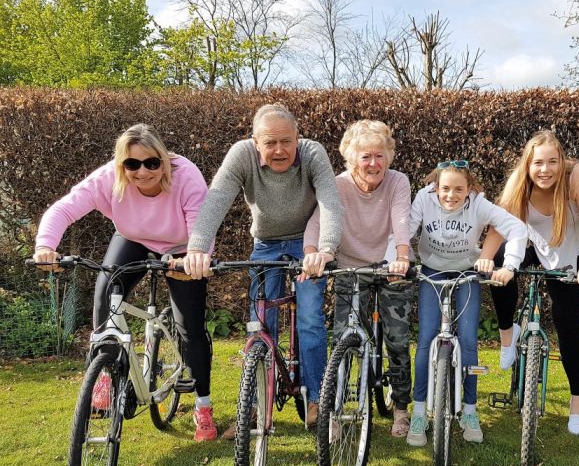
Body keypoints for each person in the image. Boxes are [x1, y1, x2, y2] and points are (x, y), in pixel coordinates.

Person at [33, 123, 217, 441]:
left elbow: (202, 226)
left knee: (189, 326)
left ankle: (203, 405)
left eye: (151, 163)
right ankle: (105, 376)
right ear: (122, 164)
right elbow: (65, 208)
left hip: (183, 246)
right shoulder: (109, 177)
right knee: (106, 294)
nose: (142, 172)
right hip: (133, 238)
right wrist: (45, 246)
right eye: (132, 164)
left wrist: (195, 258)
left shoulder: (186, 175)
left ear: (164, 160)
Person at [183, 104, 342, 432]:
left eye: (286, 141)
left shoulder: (313, 153)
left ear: (298, 137)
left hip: (307, 244)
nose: (279, 150)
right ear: (255, 142)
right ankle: (254, 407)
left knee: (310, 318)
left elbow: (330, 203)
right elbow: (216, 200)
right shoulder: (241, 155)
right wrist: (197, 248)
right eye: (270, 143)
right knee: (260, 324)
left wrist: (325, 249)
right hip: (266, 244)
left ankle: (318, 404)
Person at [481, 130, 579, 435]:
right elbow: (498, 230)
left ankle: (577, 401)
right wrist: (485, 260)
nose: (545, 170)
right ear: (528, 164)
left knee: (567, 321)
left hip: (565, 248)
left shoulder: (577, 178)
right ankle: (508, 335)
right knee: (500, 266)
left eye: (552, 162)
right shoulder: (518, 182)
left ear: (562, 161)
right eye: (538, 163)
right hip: (526, 243)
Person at [303, 120, 415, 437]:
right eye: (366, 156)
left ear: (388, 156)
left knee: (397, 339)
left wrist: (402, 258)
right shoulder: (338, 185)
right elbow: (317, 222)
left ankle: (401, 408)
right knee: (343, 337)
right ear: (352, 158)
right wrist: (311, 254)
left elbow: (401, 221)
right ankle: (335, 410)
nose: (373, 164)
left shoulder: (398, 181)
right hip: (352, 268)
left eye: (380, 155)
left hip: (391, 266)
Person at [406, 161, 527, 446]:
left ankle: (470, 411)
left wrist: (508, 265)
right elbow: (405, 231)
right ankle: (419, 412)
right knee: (426, 339)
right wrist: (399, 258)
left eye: (459, 189)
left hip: (466, 272)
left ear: (469, 188)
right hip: (432, 271)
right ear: (436, 187)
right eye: (445, 189)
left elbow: (517, 228)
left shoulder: (479, 205)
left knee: (469, 340)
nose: (451, 195)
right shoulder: (424, 199)